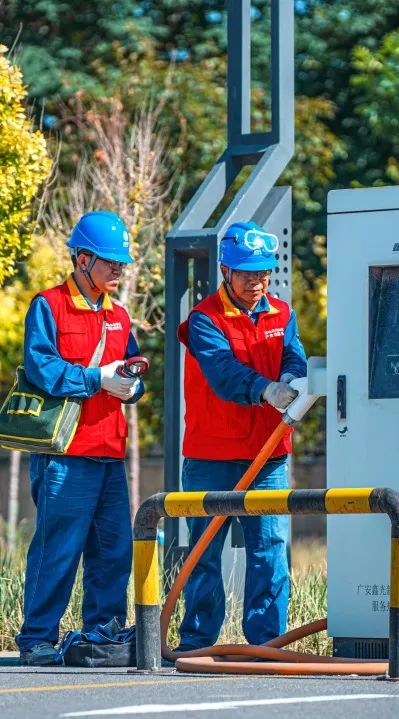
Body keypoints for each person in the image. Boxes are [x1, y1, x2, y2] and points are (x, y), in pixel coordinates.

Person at [15, 211, 145, 666]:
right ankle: (37, 639)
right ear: (83, 259)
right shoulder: (48, 306)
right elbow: (42, 368)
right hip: (64, 454)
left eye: (121, 263)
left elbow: (128, 369)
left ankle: (101, 635)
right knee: (58, 549)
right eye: (110, 262)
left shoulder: (119, 315)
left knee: (113, 552)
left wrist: (130, 386)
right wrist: (95, 379)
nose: (117, 270)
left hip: (109, 451)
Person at [176, 220, 307, 651]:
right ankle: (197, 643)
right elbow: (223, 372)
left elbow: (294, 355)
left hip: (268, 457)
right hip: (210, 457)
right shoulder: (204, 319)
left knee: (269, 549)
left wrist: (291, 376)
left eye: (263, 273)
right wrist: (265, 389)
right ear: (225, 271)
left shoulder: (282, 314)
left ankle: (267, 643)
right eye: (247, 273)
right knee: (204, 552)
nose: (257, 282)